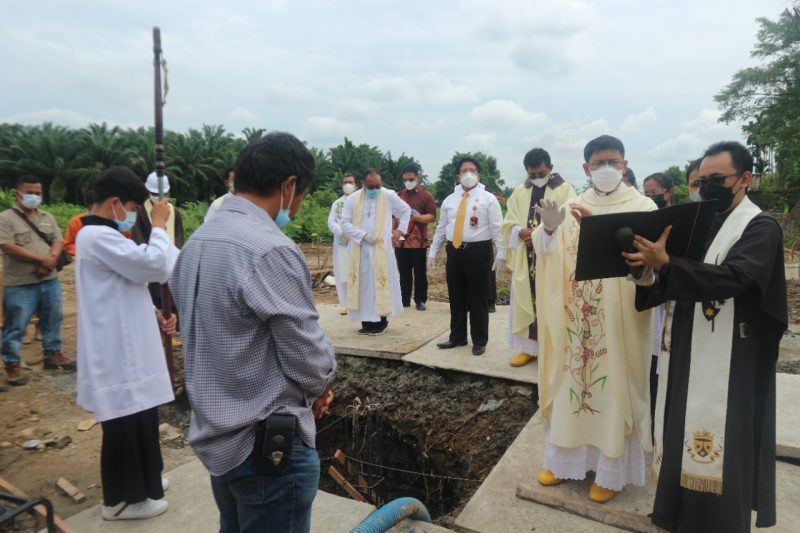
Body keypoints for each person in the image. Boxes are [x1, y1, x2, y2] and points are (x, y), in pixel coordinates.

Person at [170, 132, 336, 533]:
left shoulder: (198, 241)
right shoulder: (269, 247)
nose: (296, 210)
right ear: (289, 186)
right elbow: (307, 353)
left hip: (220, 440)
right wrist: (322, 385)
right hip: (266, 449)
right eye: (301, 198)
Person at [628, 141, 786, 532]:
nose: (706, 187)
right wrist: (647, 270)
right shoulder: (701, 224)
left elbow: (735, 278)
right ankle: (673, 511)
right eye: (701, 180)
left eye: (717, 179)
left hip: (729, 354)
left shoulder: (759, 227)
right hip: (684, 343)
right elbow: (671, 277)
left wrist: (668, 265)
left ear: (745, 179)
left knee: (719, 440)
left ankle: (714, 524)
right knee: (676, 424)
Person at [531, 135, 656, 502]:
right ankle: (564, 461)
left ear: (624, 164)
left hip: (618, 322)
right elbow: (546, 250)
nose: (606, 169)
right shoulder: (571, 205)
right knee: (571, 384)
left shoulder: (643, 207)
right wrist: (551, 229)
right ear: (586, 168)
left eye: (613, 162)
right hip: (575, 318)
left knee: (613, 387)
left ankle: (609, 469)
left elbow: (651, 267)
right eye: (599, 163)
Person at [75, 166, 178, 520]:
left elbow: (124, 286)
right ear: (116, 204)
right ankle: (121, 501)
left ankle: (146, 482)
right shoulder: (97, 237)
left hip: (129, 339)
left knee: (142, 415)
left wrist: (154, 313)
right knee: (124, 421)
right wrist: (161, 226)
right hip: (117, 348)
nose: (133, 217)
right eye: (134, 208)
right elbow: (154, 266)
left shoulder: (106, 237)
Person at [501, 148, 576, 368]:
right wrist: (518, 231)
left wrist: (539, 234)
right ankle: (529, 349)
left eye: (541, 173)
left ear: (550, 168)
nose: (536, 179)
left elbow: (570, 221)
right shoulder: (519, 192)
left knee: (553, 301)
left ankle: (555, 350)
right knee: (528, 301)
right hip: (527, 258)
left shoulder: (565, 190)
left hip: (553, 258)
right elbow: (508, 223)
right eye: (532, 175)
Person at [0, 175, 74, 385]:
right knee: (16, 324)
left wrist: (49, 261)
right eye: (30, 192)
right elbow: (7, 246)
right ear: (18, 194)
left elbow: (58, 240)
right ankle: (12, 363)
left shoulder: (46, 217)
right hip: (21, 282)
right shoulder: (5, 218)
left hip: (49, 279)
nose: (35, 196)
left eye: (38, 193)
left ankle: (53, 353)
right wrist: (43, 259)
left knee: (53, 317)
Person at [429, 157, 504, 356]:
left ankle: (479, 340)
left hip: (478, 251)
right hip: (454, 251)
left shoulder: (489, 199)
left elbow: (497, 228)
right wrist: (433, 251)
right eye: (464, 170)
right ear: (458, 175)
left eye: (472, 170)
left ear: (478, 174)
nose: (468, 174)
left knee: (478, 297)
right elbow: (441, 226)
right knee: (456, 295)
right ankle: (457, 336)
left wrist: (502, 251)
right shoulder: (449, 200)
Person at [341, 169, 411, 335]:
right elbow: (344, 223)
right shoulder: (352, 199)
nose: (375, 189)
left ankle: (381, 322)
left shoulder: (388, 195)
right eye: (371, 186)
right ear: (363, 183)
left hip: (381, 248)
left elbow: (406, 210)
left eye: (378, 185)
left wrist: (399, 231)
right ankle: (366, 322)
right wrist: (363, 236)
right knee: (364, 286)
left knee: (380, 283)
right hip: (361, 249)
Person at [131, 172, 185, 311]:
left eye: (161, 193)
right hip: (152, 264)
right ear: (148, 191)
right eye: (153, 193)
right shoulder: (140, 211)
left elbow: (179, 236)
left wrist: (174, 256)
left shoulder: (174, 211)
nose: (158, 197)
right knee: (155, 301)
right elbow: (138, 238)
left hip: (171, 264)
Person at [395, 164, 436, 311]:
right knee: (403, 272)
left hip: (419, 242)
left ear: (417, 178)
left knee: (420, 273)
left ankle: (420, 300)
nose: (408, 181)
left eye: (411, 179)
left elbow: (431, 217)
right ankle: (404, 299)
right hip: (401, 242)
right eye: (405, 179)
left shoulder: (426, 196)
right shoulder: (399, 196)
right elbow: (393, 216)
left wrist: (414, 217)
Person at [327, 173, 358, 315]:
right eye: (345, 182)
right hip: (342, 243)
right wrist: (341, 232)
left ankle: (358, 302)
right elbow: (331, 221)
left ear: (356, 184)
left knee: (358, 272)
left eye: (350, 182)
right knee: (342, 273)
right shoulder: (337, 203)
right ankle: (344, 303)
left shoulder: (361, 201)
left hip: (358, 242)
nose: (348, 185)